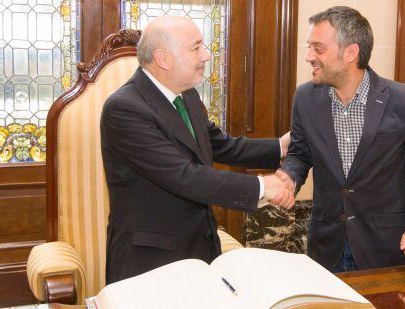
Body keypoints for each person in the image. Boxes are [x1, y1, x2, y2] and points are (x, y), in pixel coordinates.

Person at [100, 16, 294, 284]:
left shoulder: (186, 95)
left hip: (200, 250)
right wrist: (262, 187)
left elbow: (219, 144)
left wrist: (280, 147)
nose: (206, 55)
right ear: (163, 59)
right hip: (151, 264)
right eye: (196, 47)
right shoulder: (125, 109)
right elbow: (184, 176)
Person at [279, 6, 405, 272]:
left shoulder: (402, 101)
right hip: (326, 246)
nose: (308, 56)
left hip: (384, 248)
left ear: (351, 52)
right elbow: (299, 153)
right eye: (309, 47)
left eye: (318, 49)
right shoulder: (305, 98)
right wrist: (289, 178)